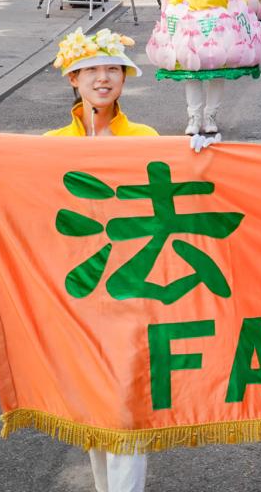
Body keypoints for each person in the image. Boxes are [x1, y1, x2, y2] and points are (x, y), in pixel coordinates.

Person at [45, 26, 155, 490]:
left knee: (127, 409)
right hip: (77, 299)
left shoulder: (147, 138)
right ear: (73, 79)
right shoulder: (47, 146)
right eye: (91, 70)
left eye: (113, 69)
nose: (103, 78)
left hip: (134, 293)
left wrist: (201, 155)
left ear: (125, 80)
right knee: (94, 413)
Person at [168, 0, 248, 135]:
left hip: (219, 24)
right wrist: (171, 8)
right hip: (193, 23)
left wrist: (240, 5)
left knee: (216, 71)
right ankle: (193, 117)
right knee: (191, 71)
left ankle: (210, 115)